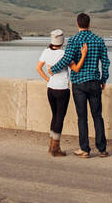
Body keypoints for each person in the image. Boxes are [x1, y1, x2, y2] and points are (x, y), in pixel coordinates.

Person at [50, 12, 111, 158]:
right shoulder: (98, 40)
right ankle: (102, 149)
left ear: (77, 24)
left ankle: (85, 149)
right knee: (97, 116)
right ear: (89, 24)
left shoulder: (74, 40)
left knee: (82, 117)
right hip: (95, 82)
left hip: (79, 83)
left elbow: (67, 59)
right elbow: (106, 62)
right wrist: (104, 80)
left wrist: (53, 69)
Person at [35, 28, 86, 157]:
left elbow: (38, 68)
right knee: (60, 118)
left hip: (50, 89)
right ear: (62, 41)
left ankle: (51, 145)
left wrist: (48, 79)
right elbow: (76, 68)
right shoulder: (64, 54)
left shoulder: (46, 52)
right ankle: (55, 148)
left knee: (54, 116)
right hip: (62, 89)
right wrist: (83, 55)